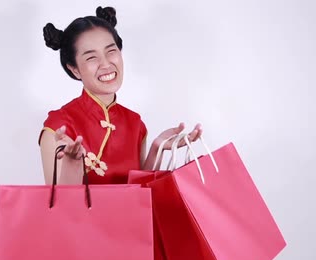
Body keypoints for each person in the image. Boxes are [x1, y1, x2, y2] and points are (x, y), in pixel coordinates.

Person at [38, 6, 202, 185]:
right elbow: (59, 207)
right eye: (91, 57)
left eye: (111, 51)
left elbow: (139, 194)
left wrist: (157, 149)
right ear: (74, 69)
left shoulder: (135, 124)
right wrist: (72, 165)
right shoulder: (58, 126)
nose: (106, 63)